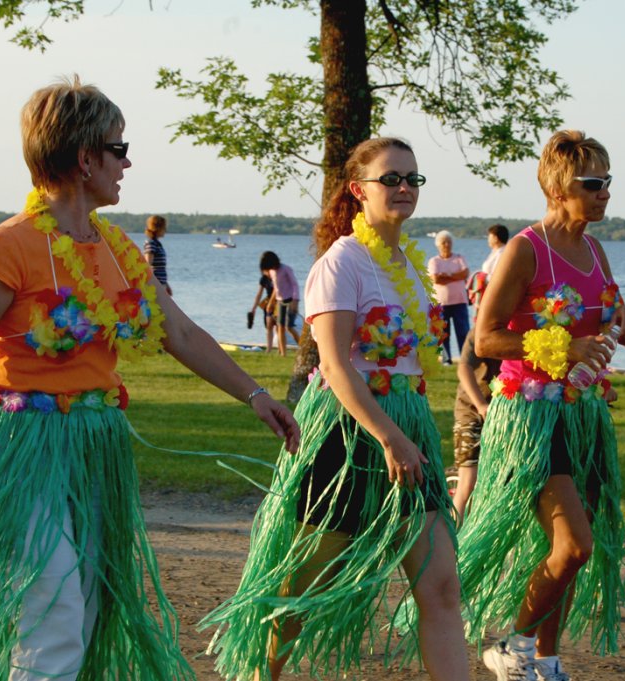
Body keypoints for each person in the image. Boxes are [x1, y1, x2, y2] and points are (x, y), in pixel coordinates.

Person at [0, 75, 300, 680]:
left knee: (83, 609)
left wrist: (256, 394)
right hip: (18, 447)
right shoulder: (8, 247)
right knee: (51, 608)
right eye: (118, 148)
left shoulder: (116, 249)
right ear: (85, 158)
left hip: (95, 444)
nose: (128, 162)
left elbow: (184, 335)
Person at [201, 137, 469, 681]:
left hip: (409, 425)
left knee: (441, 585)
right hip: (348, 436)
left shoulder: (409, 266)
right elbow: (338, 368)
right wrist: (388, 436)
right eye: (390, 178)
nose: (403, 188)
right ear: (358, 189)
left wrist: (405, 431)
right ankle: (261, 673)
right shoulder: (342, 261)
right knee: (305, 584)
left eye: (412, 179)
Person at [457, 129, 625, 681]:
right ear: (560, 188)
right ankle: (509, 643)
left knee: (567, 550)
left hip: (582, 412)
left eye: (608, 181)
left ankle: (546, 659)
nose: (605, 191)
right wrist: (566, 346)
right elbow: (485, 339)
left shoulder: (595, 249)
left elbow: (612, 316)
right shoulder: (524, 250)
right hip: (531, 415)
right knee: (574, 545)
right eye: (593, 182)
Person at [451, 330, 502, 521]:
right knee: (468, 481)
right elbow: (463, 368)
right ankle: (451, 538)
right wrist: (481, 404)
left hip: (501, 413)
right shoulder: (477, 333)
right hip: (471, 411)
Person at [428, 230, 470, 364]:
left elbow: (464, 274)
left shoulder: (459, 258)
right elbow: (435, 279)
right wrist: (454, 276)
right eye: (443, 242)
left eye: (449, 242)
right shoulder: (434, 261)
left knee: (463, 332)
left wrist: (445, 275)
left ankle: (466, 359)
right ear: (438, 245)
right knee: (443, 333)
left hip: (459, 301)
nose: (447, 245)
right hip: (441, 303)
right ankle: (446, 360)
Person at [259, 251, 303, 356]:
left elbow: (295, 285)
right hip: (280, 302)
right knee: (280, 327)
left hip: (290, 301)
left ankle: (302, 348)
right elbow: (276, 289)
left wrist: (295, 301)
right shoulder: (272, 272)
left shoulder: (286, 269)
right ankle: (283, 354)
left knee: (289, 327)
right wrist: (270, 303)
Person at [248, 270, 276, 352]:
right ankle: (269, 349)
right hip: (268, 303)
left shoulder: (276, 276)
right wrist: (253, 309)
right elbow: (259, 294)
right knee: (268, 326)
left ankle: (280, 350)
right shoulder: (264, 278)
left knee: (279, 326)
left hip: (278, 301)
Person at [143, 214, 172, 295]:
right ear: (158, 228)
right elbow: (147, 264)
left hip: (161, 283)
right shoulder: (151, 243)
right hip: (155, 285)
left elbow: (160, 268)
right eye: (164, 228)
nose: (165, 230)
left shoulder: (157, 243)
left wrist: (166, 285)